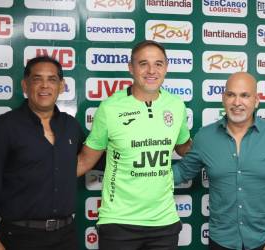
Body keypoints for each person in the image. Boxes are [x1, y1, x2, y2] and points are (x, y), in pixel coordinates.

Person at [77, 40, 192, 250]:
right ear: (131, 68)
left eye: (158, 64)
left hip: (164, 222)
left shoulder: (176, 106)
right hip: (119, 222)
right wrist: (39, 181)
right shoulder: (110, 108)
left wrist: (217, 146)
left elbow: (185, 147)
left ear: (166, 67)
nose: (151, 71)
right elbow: (85, 161)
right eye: (143, 64)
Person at [173, 72, 265, 250]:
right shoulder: (205, 137)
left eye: (245, 95)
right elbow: (182, 172)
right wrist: (141, 177)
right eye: (231, 95)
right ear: (223, 99)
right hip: (222, 240)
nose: (237, 102)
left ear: (256, 100)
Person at [0, 56, 84, 250]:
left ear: (61, 86)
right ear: (25, 85)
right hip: (19, 237)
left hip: (66, 236)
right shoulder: (4, 126)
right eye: (37, 79)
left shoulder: (71, 125)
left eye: (52, 79)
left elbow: (95, 157)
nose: (44, 86)